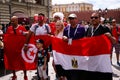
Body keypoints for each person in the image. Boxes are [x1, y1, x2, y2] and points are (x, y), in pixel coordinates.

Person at [85, 12, 116, 80]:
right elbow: (85, 41)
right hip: (91, 58)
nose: (93, 19)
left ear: (99, 19)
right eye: (92, 17)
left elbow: (114, 41)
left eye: (95, 17)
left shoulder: (105, 28)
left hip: (101, 59)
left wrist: (110, 36)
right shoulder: (89, 29)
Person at [24, 13, 51, 79]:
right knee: (38, 62)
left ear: (44, 18)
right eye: (38, 18)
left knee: (45, 63)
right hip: (37, 48)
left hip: (45, 48)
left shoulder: (47, 26)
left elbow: (50, 36)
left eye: (40, 18)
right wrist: (26, 44)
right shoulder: (34, 26)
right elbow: (29, 35)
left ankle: (45, 77)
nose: (39, 19)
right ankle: (40, 76)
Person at [62, 13, 85, 80]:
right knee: (70, 68)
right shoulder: (66, 28)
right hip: (69, 53)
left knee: (77, 68)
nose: (71, 20)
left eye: (73, 18)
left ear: (76, 19)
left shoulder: (81, 28)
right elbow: (63, 38)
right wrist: (64, 37)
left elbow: (82, 39)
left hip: (78, 53)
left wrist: (69, 39)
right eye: (70, 19)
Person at [5, 16, 28, 80]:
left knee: (22, 63)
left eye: (13, 21)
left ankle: (25, 76)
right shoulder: (9, 28)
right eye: (11, 21)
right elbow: (7, 38)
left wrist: (26, 45)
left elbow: (26, 37)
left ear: (17, 21)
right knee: (12, 62)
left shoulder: (22, 28)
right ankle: (14, 75)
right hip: (12, 50)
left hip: (20, 50)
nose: (12, 22)